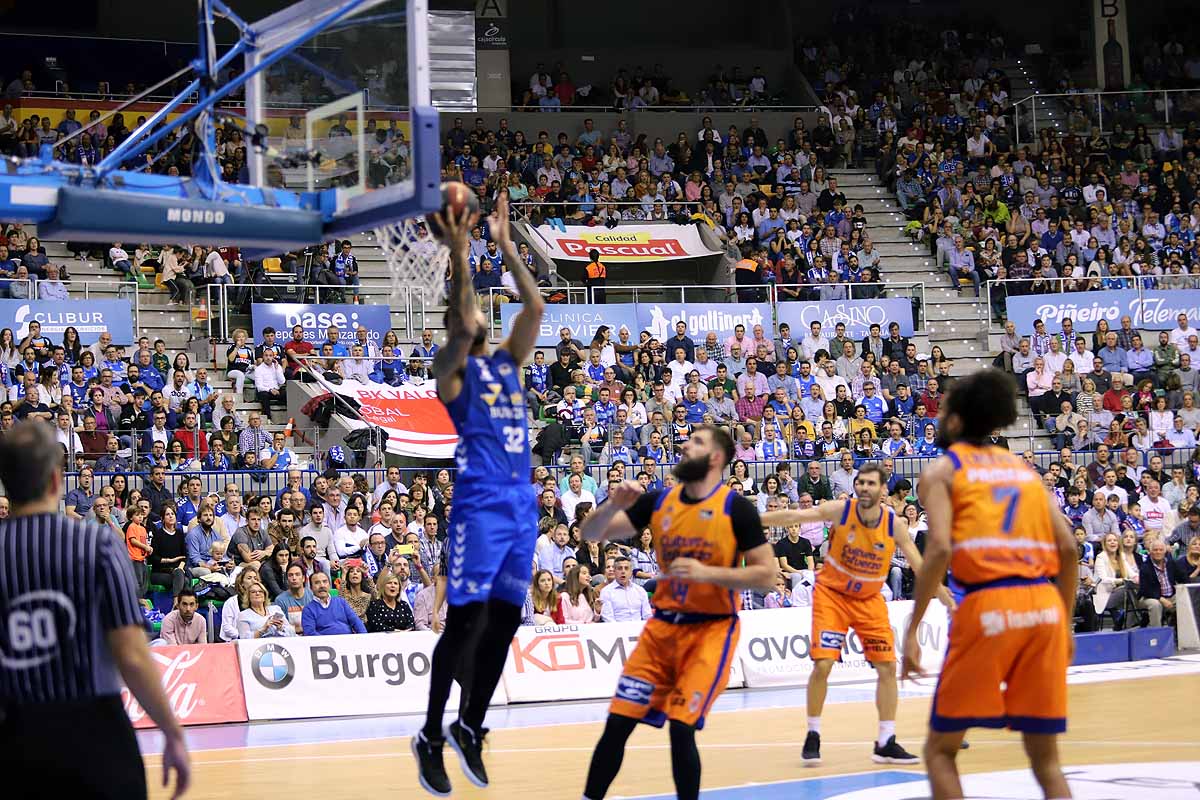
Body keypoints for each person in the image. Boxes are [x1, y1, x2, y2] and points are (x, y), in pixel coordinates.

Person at [413, 194, 545, 796]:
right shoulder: (452, 374)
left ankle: (471, 725)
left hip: (521, 503)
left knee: (506, 621)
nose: (480, 325)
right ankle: (431, 734)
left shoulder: (512, 366)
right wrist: (461, 249)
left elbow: (536, 304)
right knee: (464, 624)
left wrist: (509, 244)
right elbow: (464, 323)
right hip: (479, 503)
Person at [902, 369, 1078, 800]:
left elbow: (939, 549)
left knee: (940, 752)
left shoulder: (943, 470)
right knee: (1047, 762)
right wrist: (1066, 622)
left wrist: (913, 628)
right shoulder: (1022, 469)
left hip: (988, 604)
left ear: (957, 421)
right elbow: (1069, 549)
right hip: (1044, 607)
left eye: (944, 410)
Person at [579, 424, 776, 800]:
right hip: (662, 629)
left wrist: (710, 574)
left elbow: (768, 576)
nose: (686, 445)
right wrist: (613, 505)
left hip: (710, 631)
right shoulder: (658, 501)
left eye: (697, 442)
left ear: (716, 458)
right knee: (618, 722)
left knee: (681, 727)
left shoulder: (737, 509)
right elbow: (592, 532)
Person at [0, 421, 191, 799]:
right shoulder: (97, 544)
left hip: (16, 737)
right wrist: (172, 732)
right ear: (56, 481)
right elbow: (133, 656)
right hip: (95, 734)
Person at [761, 464, 950, 767]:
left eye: (871, 483)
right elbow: (794, 516)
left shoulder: (894, 525)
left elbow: (921, 566)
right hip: (832, 596)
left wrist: (946, 598)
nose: (863, 487)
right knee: (823, 665)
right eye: (860, 482)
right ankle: (813, 733)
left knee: (888, 668)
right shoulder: (841, 510)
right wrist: (750, 519)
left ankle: (886, 741)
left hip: (869, 599)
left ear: (883, 490)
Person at [301, 571, 367, 636]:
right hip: (325, 645)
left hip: (348, 641)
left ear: (329, 585)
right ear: (311, 588)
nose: (322, 585)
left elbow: (356, 622)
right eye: (317, 583)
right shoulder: (308, 610)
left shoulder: (341, 602)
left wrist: (364, 637)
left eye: (325, 581)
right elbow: (310, 633)